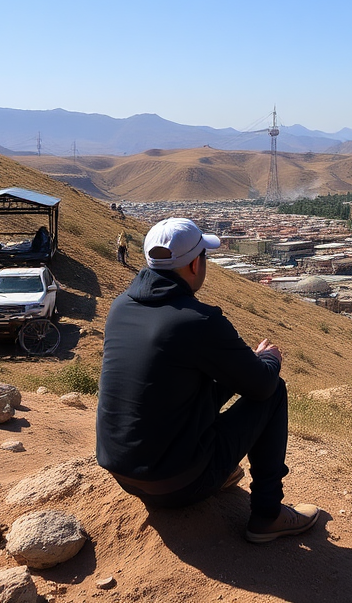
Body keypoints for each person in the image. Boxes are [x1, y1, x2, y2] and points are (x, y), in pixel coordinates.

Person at [96, 217, 319, 543]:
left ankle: (220, 472)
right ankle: (268, 515)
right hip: (176, 482)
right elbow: (262, 387)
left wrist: (250, 365)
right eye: (204, 257)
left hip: (125, 476)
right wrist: (270, 361)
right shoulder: (198, 320)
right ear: (192, 265)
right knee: (275, 390)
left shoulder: (121, 307)